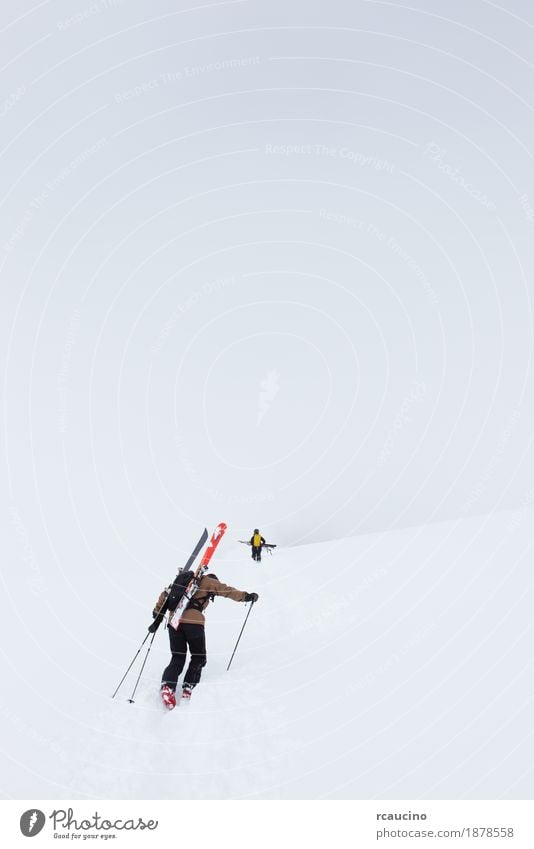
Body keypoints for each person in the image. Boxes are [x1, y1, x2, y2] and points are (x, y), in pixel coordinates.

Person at [159, 573, 258, 708]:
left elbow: (165, 595)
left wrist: (157, 611)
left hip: (174, 622)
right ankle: (188, 688)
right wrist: (247, 596)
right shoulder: (207, 581)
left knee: (177, 658)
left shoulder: (184, 582)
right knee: (199, 657)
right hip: (193, 623)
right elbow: (226, 590)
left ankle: (168, 687)